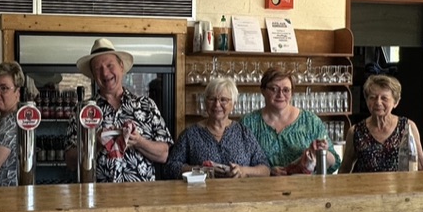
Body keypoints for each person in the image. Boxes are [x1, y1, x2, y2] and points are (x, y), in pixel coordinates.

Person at [64, 38, 173, 182]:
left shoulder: (146, 105)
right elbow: (70, 162)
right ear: (93, 75)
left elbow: (164, 154)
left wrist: (139, 141)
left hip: (141, 194)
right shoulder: (83, 111)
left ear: (121, 66)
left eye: (110, 65)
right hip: (97, 194)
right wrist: (94, 143)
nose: (105, 73)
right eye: (98, 69)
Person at [241, 67, 340, 175]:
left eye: (286, 90)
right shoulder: (248, 123)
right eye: (274, 89)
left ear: (292, 93)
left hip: (306, 185)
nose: (280, 94)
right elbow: (240, 164)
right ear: (263, 91)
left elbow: (334, 163)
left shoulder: (311, 121)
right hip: (262, 185)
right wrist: (268, 172)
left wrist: (323, 152)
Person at [166, 76, 270, 178]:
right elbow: (171, 167)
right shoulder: (190, 134)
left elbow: (265, 168)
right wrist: (200, 170)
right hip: (201, 189)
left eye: (223, 100)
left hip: (237, 189)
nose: (217, 104)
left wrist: (243, 171)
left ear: (234, 104)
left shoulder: (244, 133)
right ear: (205, 102)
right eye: (212, 99)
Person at [340, 74, 423, 173]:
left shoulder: (408, 127)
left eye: (384, 98)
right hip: (365, 183)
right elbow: (344, 169)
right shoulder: (356, 131)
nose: (378, 102)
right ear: (367, 101)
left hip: (399, 183)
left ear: (395, 102)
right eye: (372, 97)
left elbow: (421, 165)